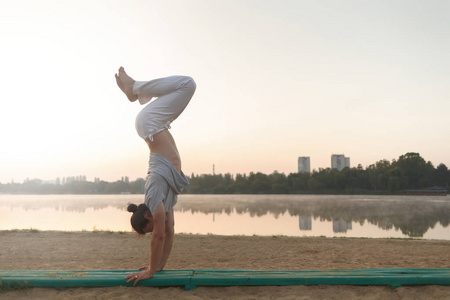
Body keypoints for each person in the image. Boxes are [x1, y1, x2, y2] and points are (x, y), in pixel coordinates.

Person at [114, 67, 196, 286]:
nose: (152, 232)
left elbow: (159, 235)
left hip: (149, 122)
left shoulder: (152, 196)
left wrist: (149, 271)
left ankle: (135, 89)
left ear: (147, 218)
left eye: (147, 229)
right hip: (153, 124)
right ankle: (135, 90)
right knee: (187, 85)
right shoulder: (163, 201)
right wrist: (157, 266)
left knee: (187, 84)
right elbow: (168, 233)